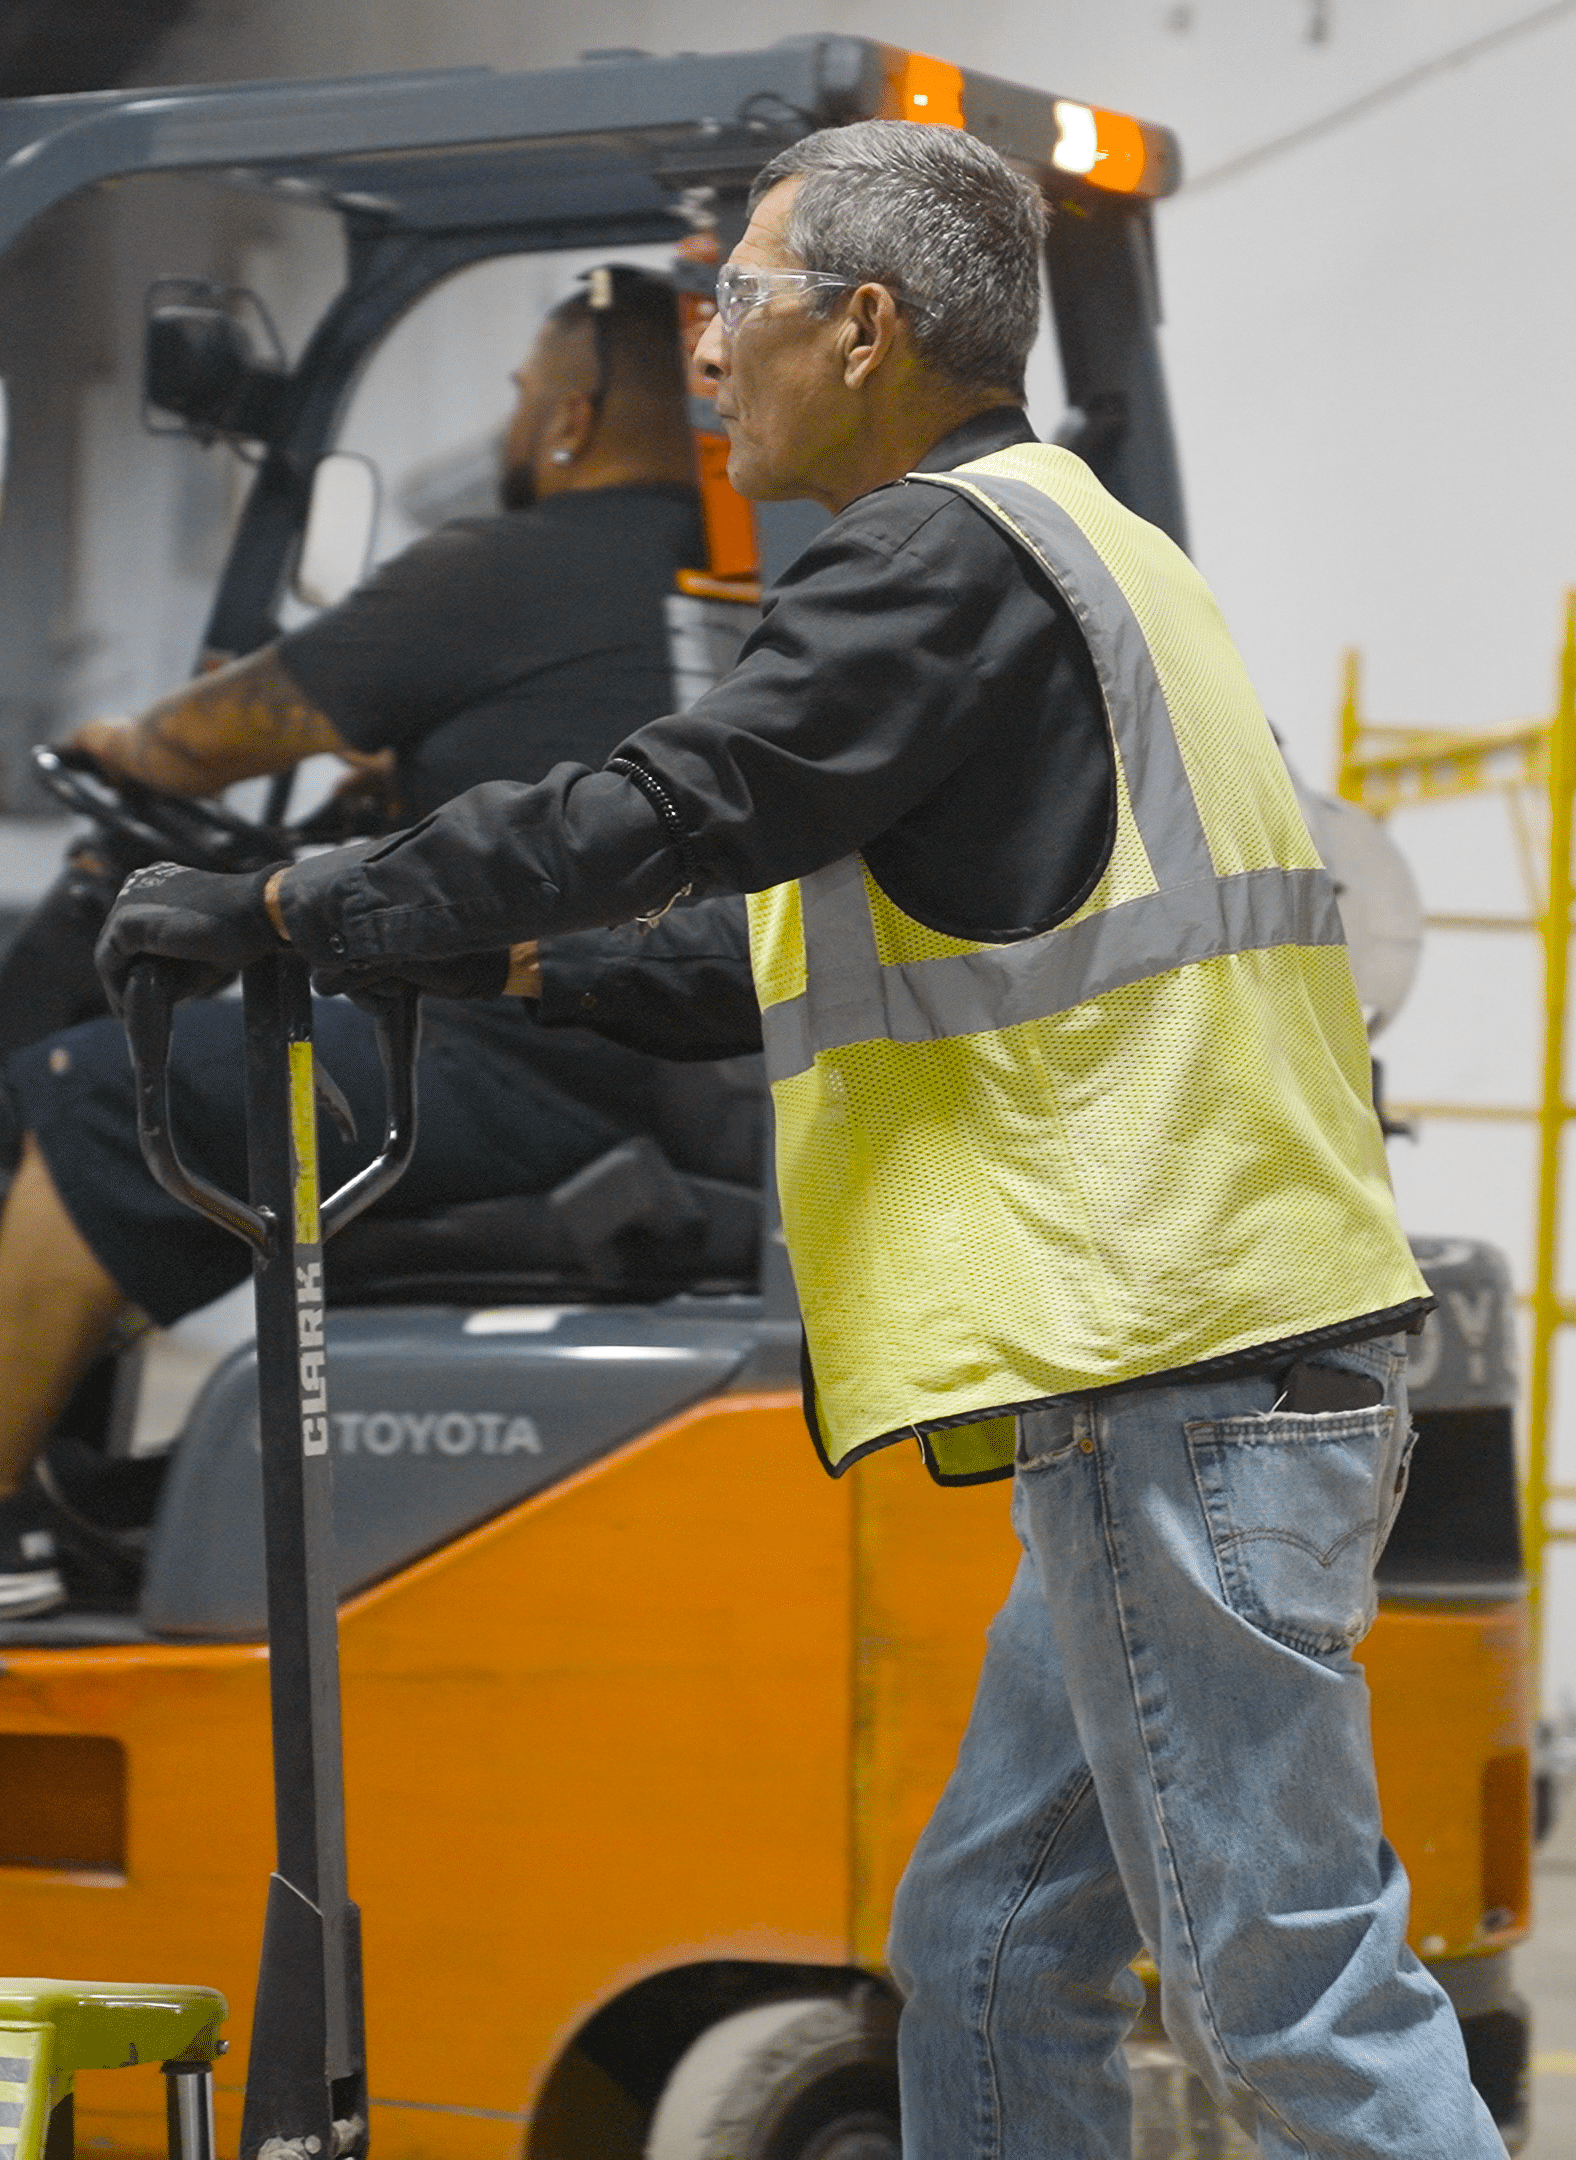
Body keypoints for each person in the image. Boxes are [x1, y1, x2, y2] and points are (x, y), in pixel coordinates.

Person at [101, 124, 1505, 2156]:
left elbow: (678, 796)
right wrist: (504, 979)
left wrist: (297, 908)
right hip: (1185, 1370)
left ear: (863, 327)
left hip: (1177, 1378)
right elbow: (779, 960)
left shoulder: (941, 555)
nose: (704, 351)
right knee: (996, 1938)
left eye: (734, 300)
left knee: (1288, 2001)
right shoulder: (1061, 551)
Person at [0, 267, 719, 1621]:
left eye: (519, 400)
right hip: (660, 1047)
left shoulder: (506, 570)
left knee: (99, 1097)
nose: (515, 425)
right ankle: (78, 1473)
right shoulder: (721, 583)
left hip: (520, 1057)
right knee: (212, 1088)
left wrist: (118, 747)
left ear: (569, 418)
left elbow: (206, 742)